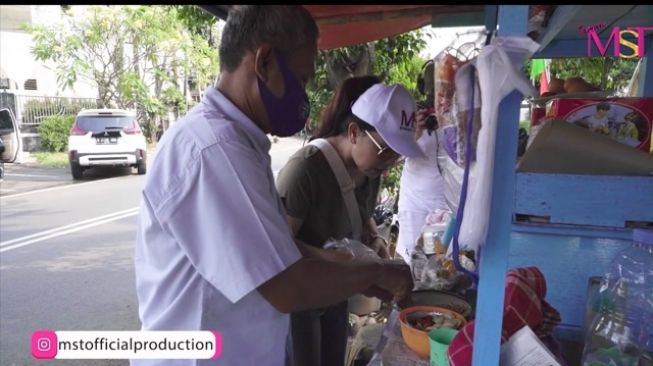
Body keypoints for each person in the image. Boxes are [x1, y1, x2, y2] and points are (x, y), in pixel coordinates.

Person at [132, 6, 413, 366]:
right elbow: (286, 284)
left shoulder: (238, 144)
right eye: (300, 79)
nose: (304, 96)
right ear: (264, 62)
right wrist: (376, 271)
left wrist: (356, 273)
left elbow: (274, 249)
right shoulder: (214, 150)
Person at [276, 77, 424, 366]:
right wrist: (344, 260)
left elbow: (359, 211)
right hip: (301, 301)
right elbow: (277, 246)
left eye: (398, 155)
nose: (390, 163)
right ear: (355, 132)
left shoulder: (370, 169)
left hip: (337, 292)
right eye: (386, 150)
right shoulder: (304, 170)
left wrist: (375, 241)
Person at [395, 108, 447, 264]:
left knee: (442, 260)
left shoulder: (454, 116)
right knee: (412, 258)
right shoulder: (410, 119)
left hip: (445, 202)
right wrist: (414, 133)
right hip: (413, 203)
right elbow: (393, 157)